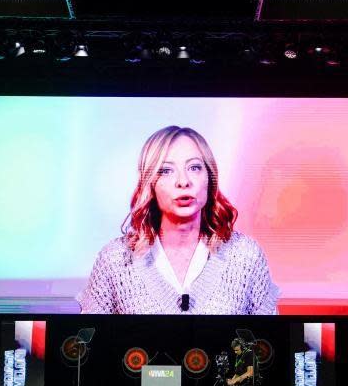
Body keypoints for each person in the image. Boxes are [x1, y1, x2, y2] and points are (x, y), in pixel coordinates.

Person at [77, 126, 279, 315]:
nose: (183, 181)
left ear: (210, 178)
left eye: (194, 168)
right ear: (151, 183)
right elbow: (86, 344)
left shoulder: (246, 256)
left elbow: (270, 345)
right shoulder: (115, 260)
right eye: (166, 170)